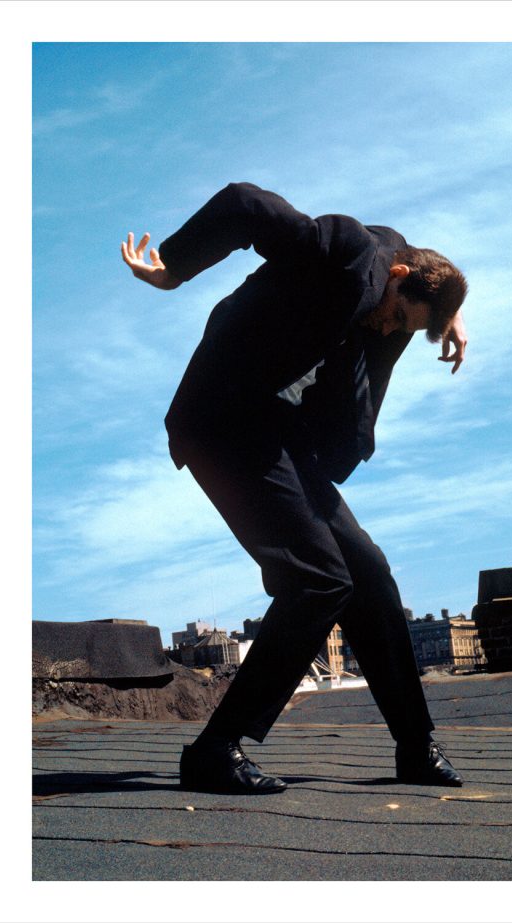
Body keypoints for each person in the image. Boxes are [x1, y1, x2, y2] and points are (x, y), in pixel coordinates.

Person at [121, 182, 468, 795]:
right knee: (318, 579)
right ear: (397, 275)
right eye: (399, 316)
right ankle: (214, 751)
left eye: (407, 330)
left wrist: (446, 312)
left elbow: (420, 261)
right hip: (224, 423)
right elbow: (247, 203)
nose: (390, 328)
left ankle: (415, 746)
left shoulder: (403, 271)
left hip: (276, 432)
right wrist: (174, 268)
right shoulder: (345, 253)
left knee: (368, 572)